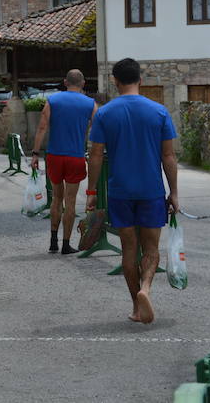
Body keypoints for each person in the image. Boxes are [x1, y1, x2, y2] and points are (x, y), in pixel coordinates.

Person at [86, 58, 179, 324]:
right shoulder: (159, 112)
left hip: (120, 191)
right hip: (151, 190)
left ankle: (136, 307)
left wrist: (92, 191)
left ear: (115, 81)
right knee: (151, 248)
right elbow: (169, 157)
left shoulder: (104, 113)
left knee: (129, 248)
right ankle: (146, 289)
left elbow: (95, 156)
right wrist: (173, 192)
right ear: (140, 80)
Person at [31, 70, 97, 254]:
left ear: (65, 82)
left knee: (56, 198)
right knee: (71, 200)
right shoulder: (90, 104)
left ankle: (53, 240)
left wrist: (35, 153)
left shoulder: (52, 101)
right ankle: (66, 244)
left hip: (54, 156)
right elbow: (96, 127)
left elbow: (42, 127)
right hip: (75, 156)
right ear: (83, 83)